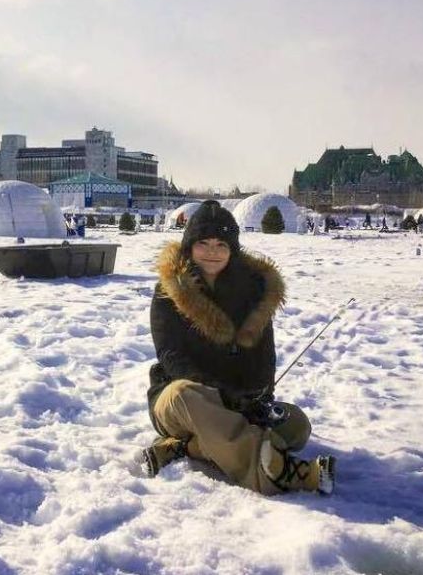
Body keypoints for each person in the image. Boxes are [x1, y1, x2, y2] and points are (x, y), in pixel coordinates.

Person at [141, 200, 334, 495]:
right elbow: (170, 356)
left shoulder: (253, 291)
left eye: (221, 244)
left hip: (238, 403)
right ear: (189, 246)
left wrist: (261, 400)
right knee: (185, 394)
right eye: (203, 243)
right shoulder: (168, 292)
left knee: (296, 425)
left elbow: (264, 354)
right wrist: (218, 394)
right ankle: (283, 474)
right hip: (181, 402)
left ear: (233, 249)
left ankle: (187, 447)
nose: (212, 252)